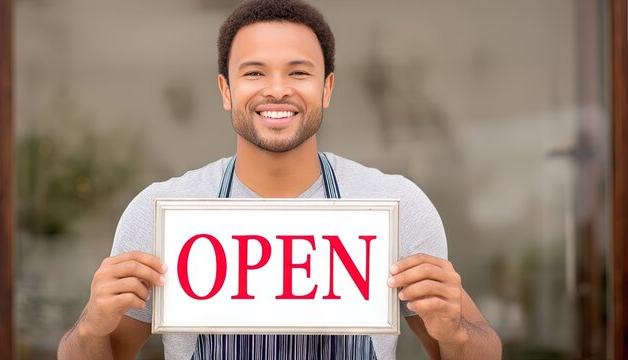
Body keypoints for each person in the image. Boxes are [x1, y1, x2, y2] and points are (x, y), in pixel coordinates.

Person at [57, 0, 502, 359]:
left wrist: (456, 332)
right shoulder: (160, 212)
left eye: (299, 72)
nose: (277, 89)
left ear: (326, 88)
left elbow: (479, 350)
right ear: (225, 90)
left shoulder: (396, 205)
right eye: (254, 73)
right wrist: (91, 325)